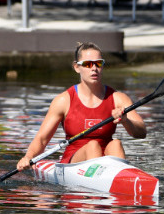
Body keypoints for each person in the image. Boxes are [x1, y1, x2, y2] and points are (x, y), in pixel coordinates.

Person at [16, 42, 147, 172]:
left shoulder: (118, 98)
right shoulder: (64, 100)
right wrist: (28, 157)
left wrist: (126, 121)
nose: (94, 68)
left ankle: (121, 180)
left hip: (107, 159)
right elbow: (42, 139)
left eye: (98, 63)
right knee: (92, 146)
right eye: (88, 64)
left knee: (116, 144)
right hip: (74, 161)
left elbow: (141, 133)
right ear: (77, 67)